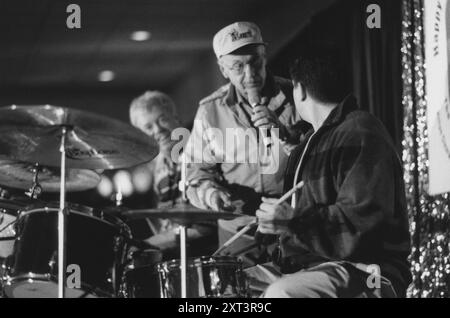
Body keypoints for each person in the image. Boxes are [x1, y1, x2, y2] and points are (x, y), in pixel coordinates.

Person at [248, 49, 412, 298]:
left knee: (282, 294)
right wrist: (273, 227)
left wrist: (292, 221)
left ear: (300, 89)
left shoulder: (360, 131)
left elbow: (361, 225)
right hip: (308, 265)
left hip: (366, 270)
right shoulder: (307, 144)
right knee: (224, 286)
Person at [184, 22, 304, 266]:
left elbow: (322, 159)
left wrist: (286, 135)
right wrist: (211, 195)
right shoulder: (209, 111)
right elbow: (195, 173)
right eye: (238, 67)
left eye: (255, 62)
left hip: (292, 224)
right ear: (223, 70)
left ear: (264, 56)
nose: (250, 76)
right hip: (237, 229)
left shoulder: (297, 95)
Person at [129, 91, 216, 258]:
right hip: (176, 258)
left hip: (207, 256)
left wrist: (148, 244)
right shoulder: (159, 167)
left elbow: (207, 226)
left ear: (176, 118)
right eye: (148, 127)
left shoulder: (201, 153)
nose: (158, 130)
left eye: (162, 119)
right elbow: (167, 222)